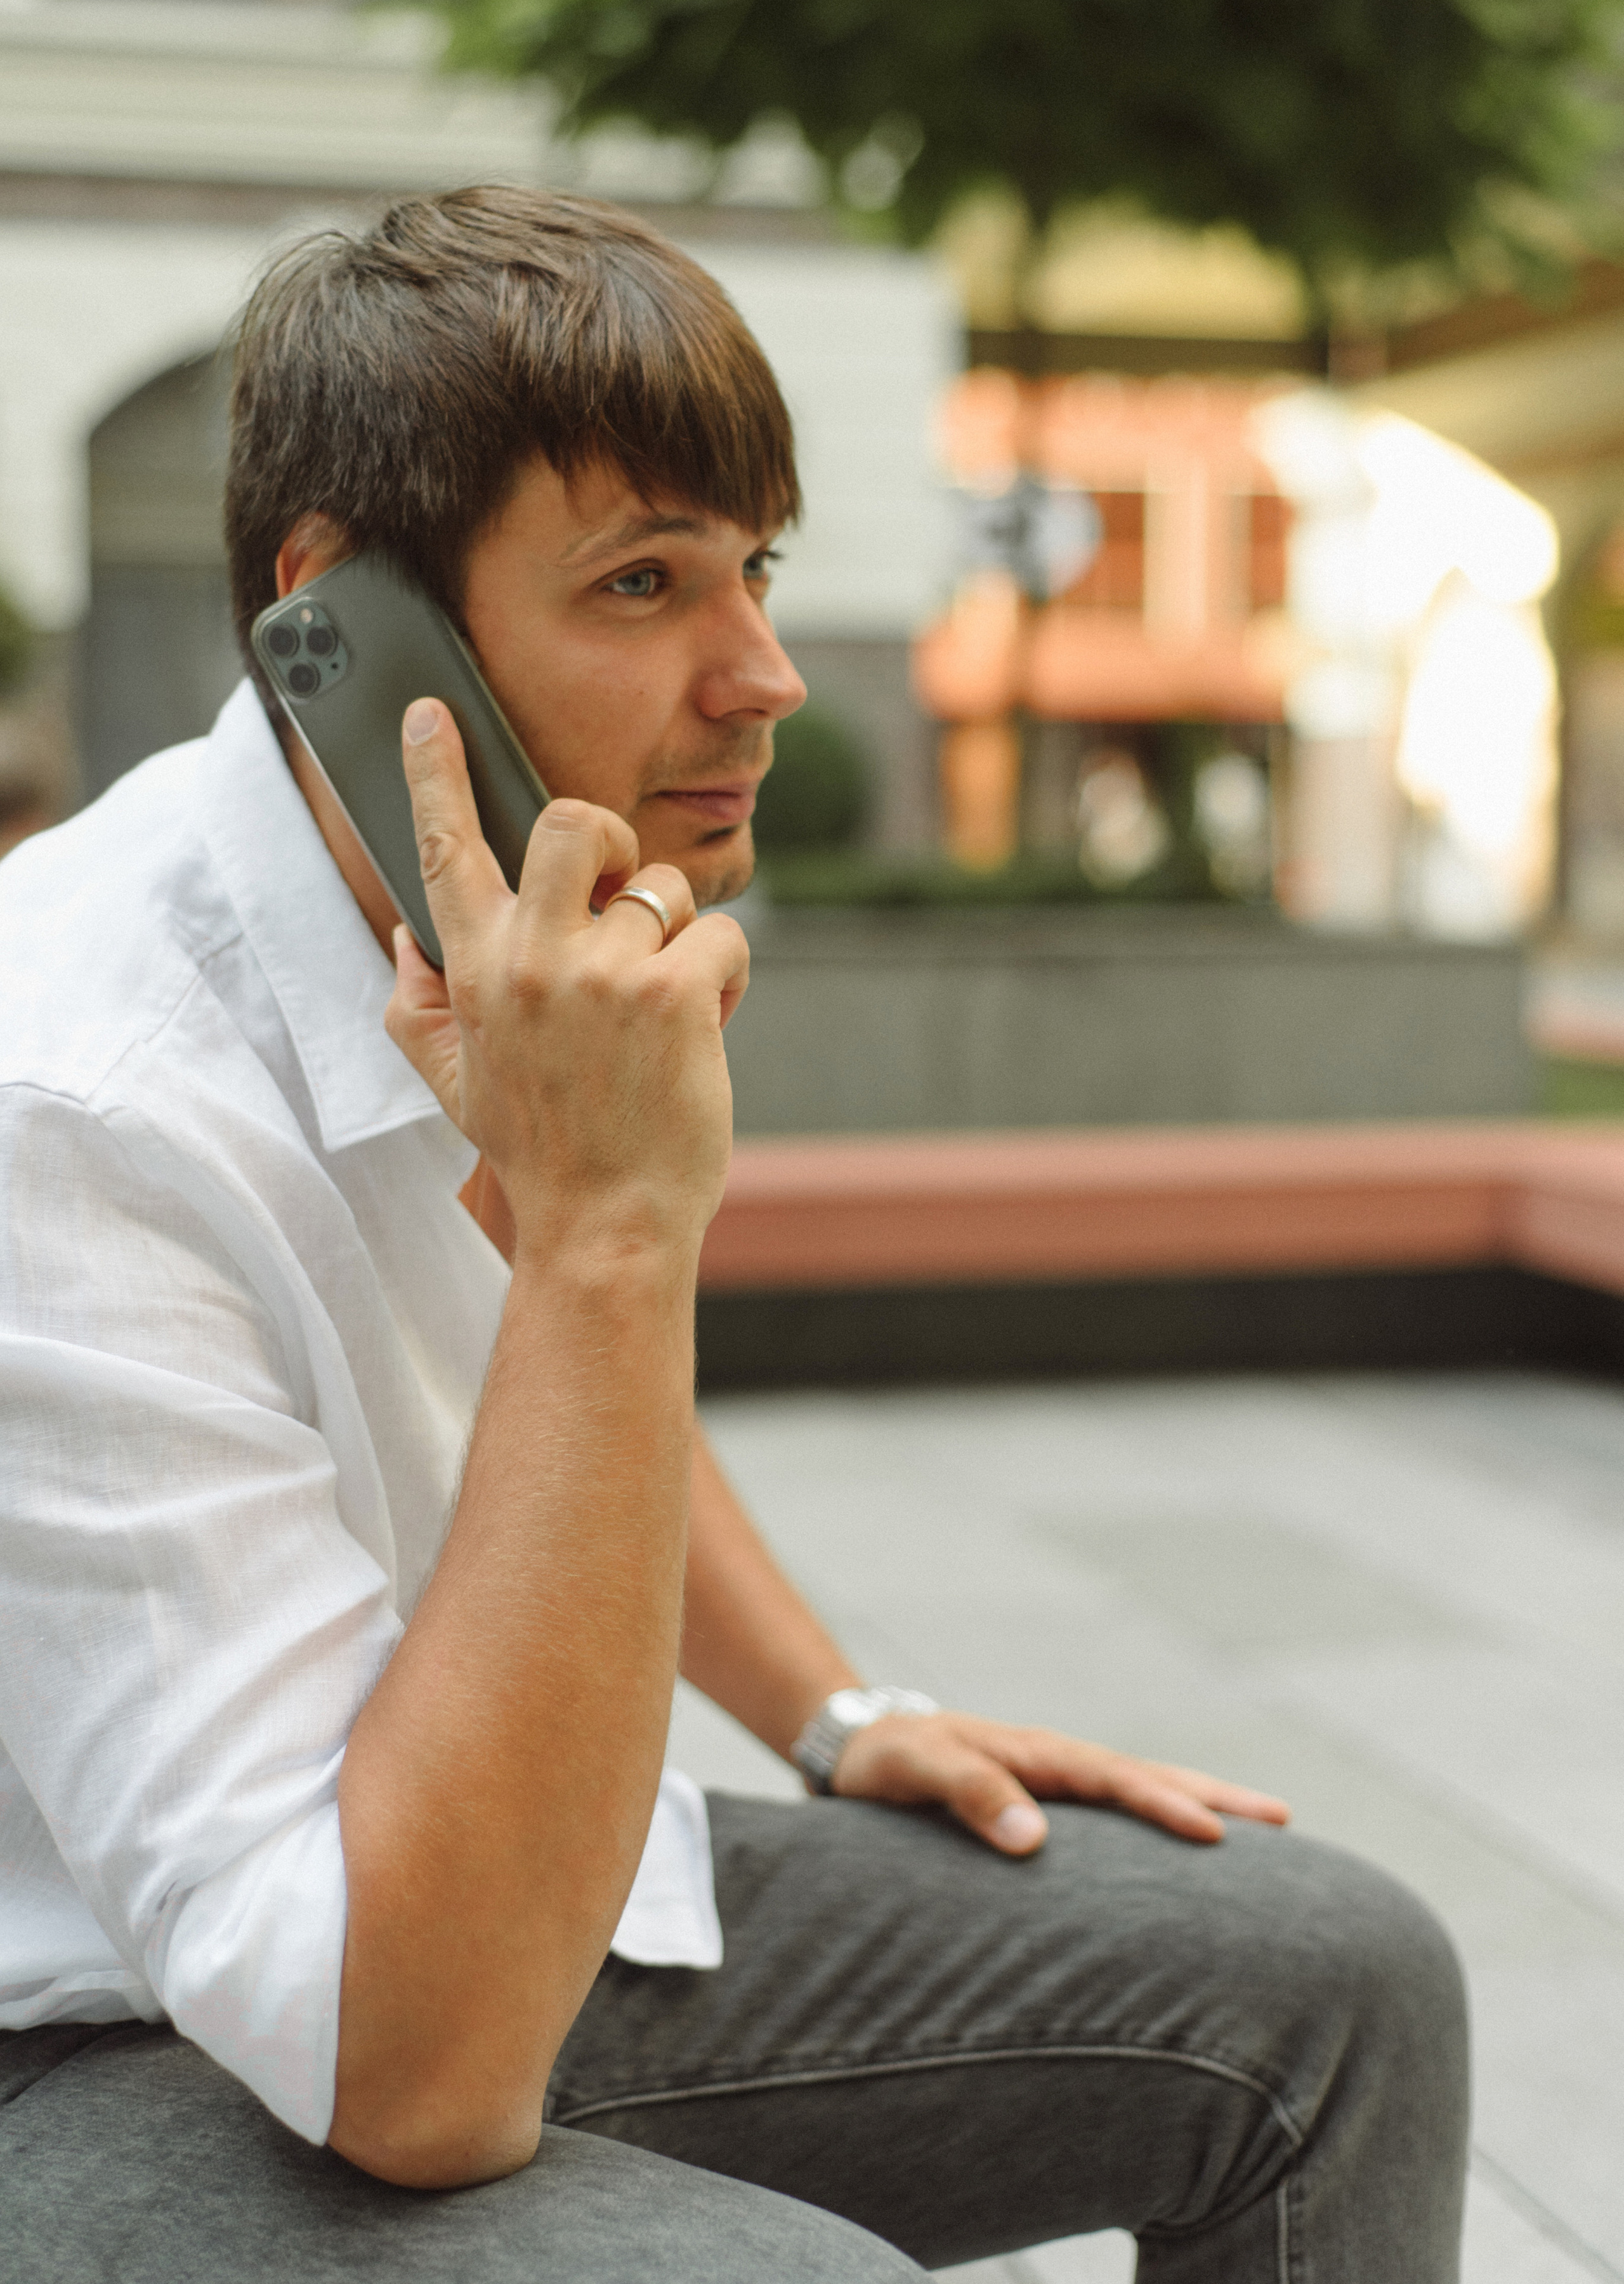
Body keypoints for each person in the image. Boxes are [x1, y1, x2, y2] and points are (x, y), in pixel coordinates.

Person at [0, 188, 1469, 2282]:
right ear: (342, 622)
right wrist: (611, 1227)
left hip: (436, 1891)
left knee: (1337, 1984)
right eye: (645, 579)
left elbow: (533, 1407)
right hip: (87, 2034)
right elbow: (409, 2068)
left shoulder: (490, 945)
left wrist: (837, 1708)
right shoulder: (73, 1100)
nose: (765, 675)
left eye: (754, 567)